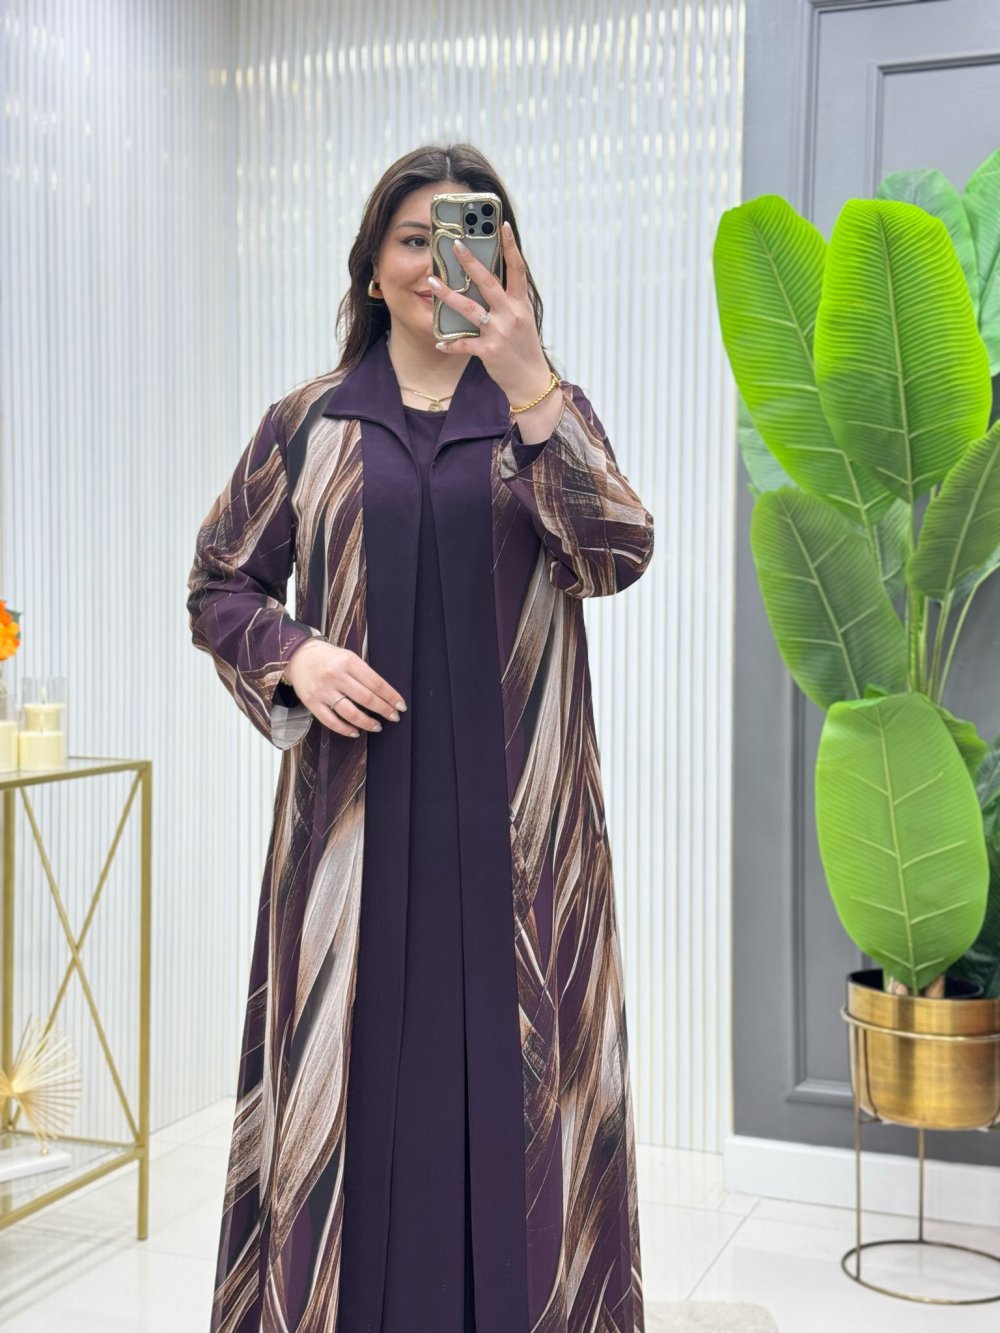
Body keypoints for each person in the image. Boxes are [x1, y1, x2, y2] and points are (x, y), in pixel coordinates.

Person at [187, 143, 653, 1333]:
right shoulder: (308, 424)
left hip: (524, 848)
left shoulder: (545, 414)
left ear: (506, 261)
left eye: (467, 235)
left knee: (524, 1104)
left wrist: (531, 380)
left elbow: (614, 556)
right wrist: (293, 652)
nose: (437, 260)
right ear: (374, 268)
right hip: (353, 837)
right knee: (353, 1096)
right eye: (412, 237)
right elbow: (218, 584)